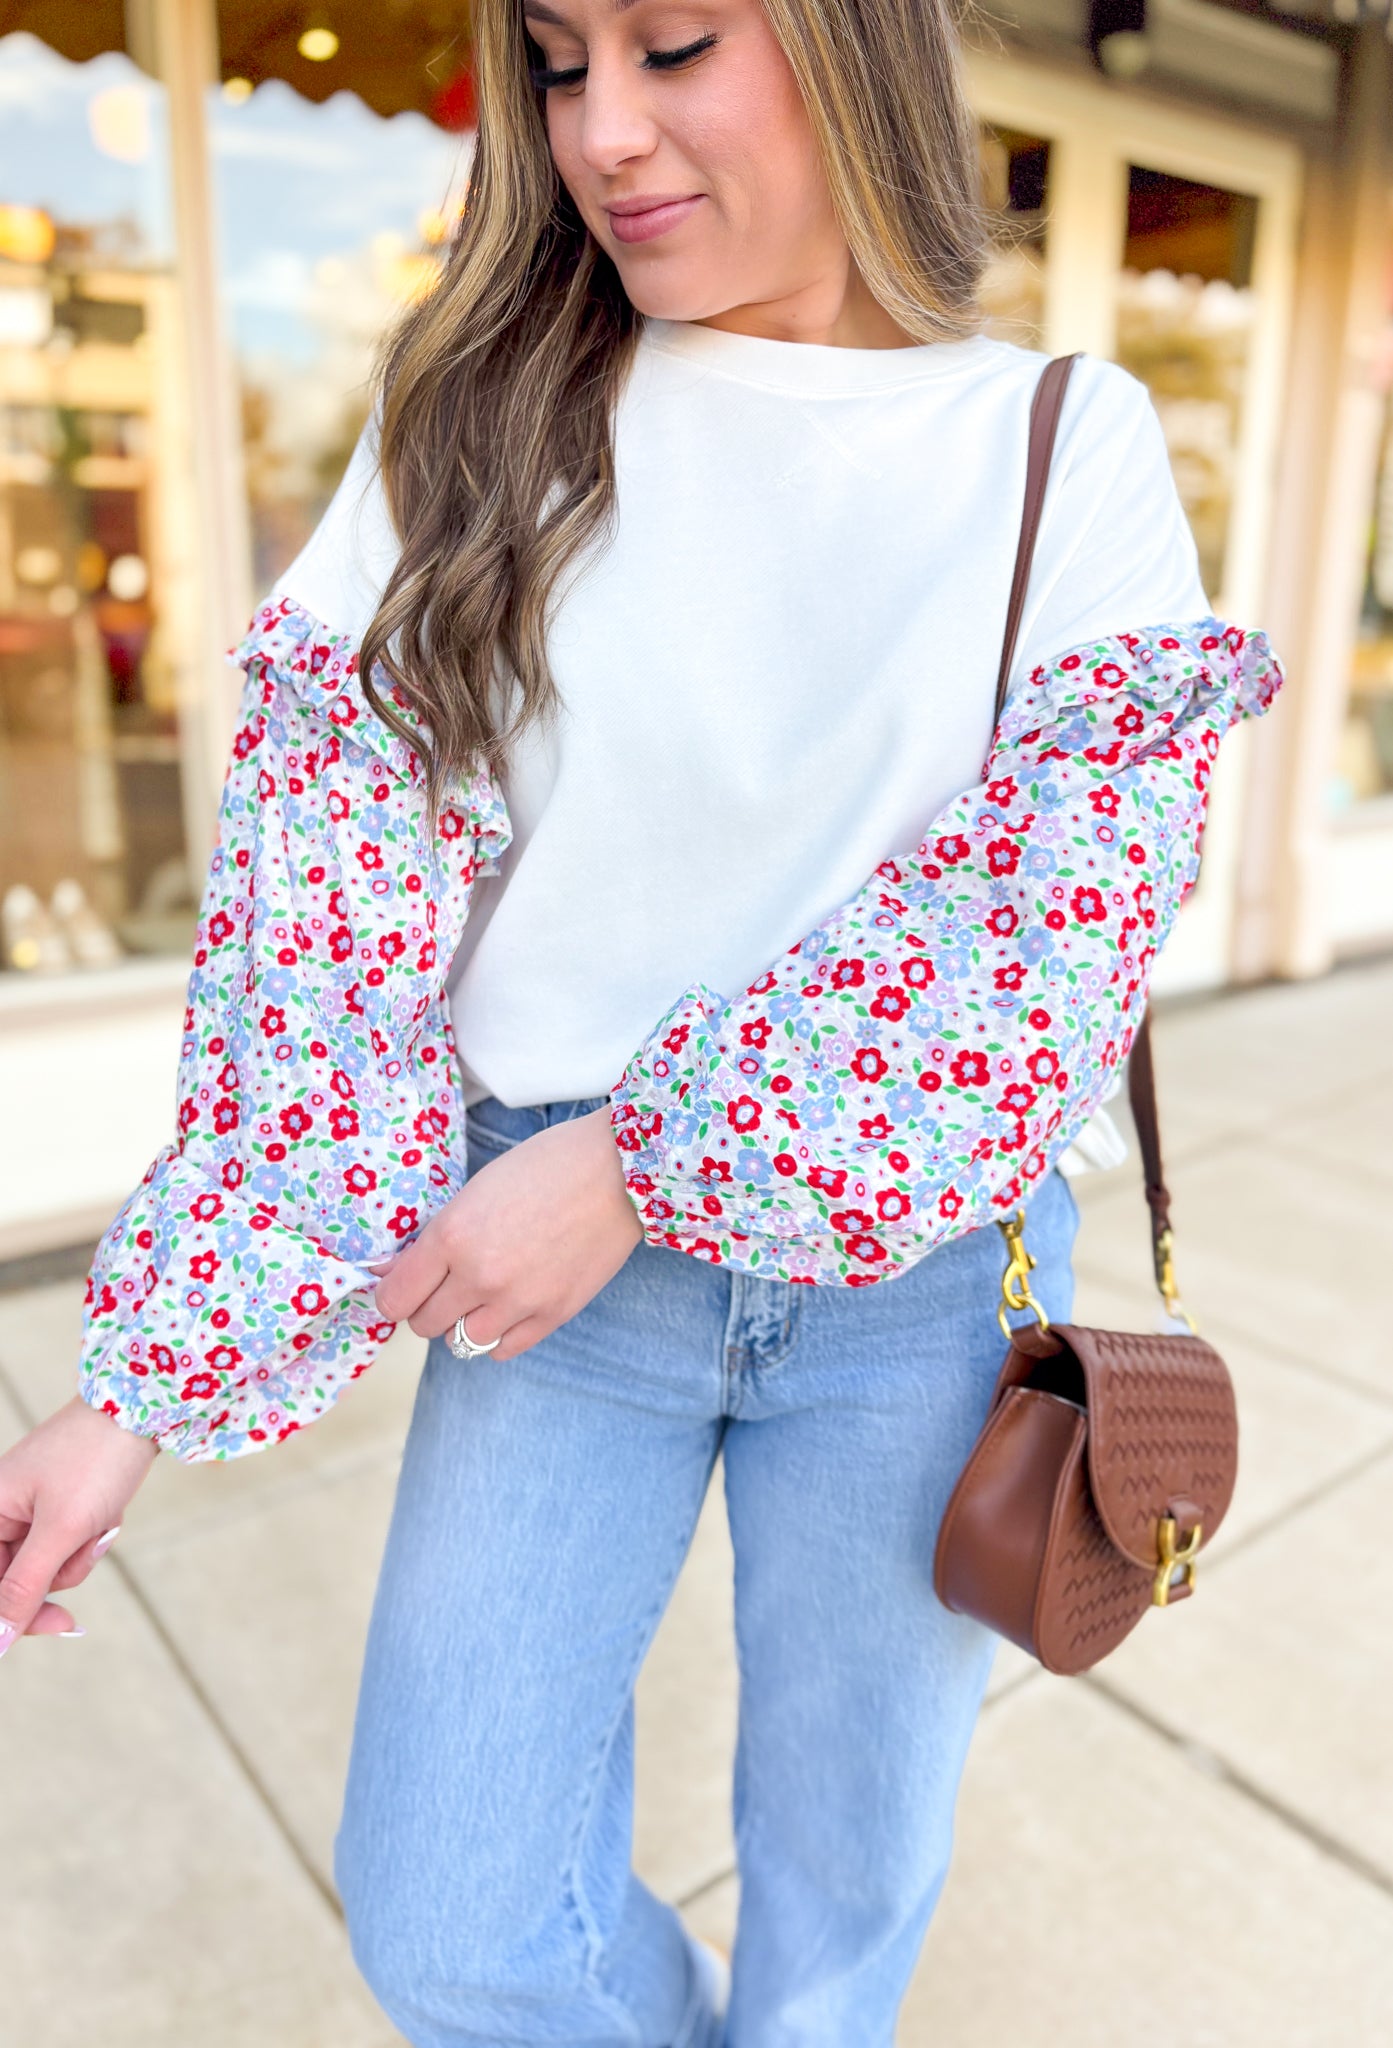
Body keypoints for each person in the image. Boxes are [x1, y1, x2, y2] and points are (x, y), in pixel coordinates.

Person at [0, 0, 1281, 2036]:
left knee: (846, 1882)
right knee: (451, 1917)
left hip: (910, 1288)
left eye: (673, 44)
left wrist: (640, 1158)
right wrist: (131, 1398)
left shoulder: (1055, 438)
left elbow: (1047, 932)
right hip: (540, 1280)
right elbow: (320, 949)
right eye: (558, 56)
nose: (599, 128)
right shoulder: (475, 428)